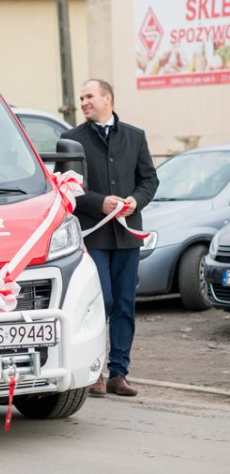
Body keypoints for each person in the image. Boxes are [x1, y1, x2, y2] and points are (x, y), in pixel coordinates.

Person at [62, 79, 159, 397]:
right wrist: (98, 201)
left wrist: (135, 200)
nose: (84, 102)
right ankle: (95, 371)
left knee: (124, 304)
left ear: (108, 99)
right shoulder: (70, 140)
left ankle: (119, 373)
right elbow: (67, 187)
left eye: (89, 96)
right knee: (98, 303)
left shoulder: (135, 135)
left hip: (127, 236)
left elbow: (149, 179)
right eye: (81, 97)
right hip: (93, 236)